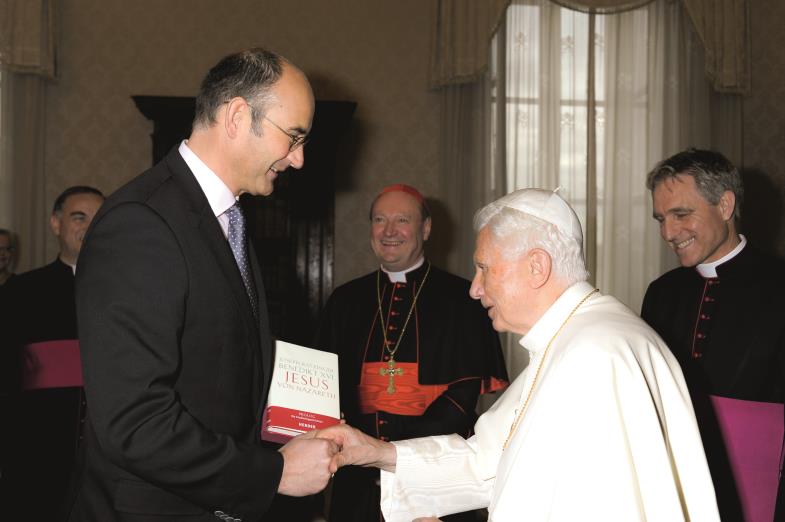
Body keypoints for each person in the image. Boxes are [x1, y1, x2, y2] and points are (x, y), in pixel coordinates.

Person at [317, 188, 720, 521]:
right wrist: (375, 452)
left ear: (536, 267)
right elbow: (488, 463)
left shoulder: (595, 355)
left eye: (485, 269)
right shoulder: (570, 340)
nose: (474, 289)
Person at [68, 48, 337, 521]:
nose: (298, 160)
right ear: (237, 116)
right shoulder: (142, 222)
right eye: (293, 137)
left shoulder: (225, 218)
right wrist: (272, 473)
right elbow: (134, 423)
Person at [315, 184, 508, 521]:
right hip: (356, 481)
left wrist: (393, 453)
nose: (389, 231)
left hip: (433, 481)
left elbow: (462, 399)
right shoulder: (345, 301)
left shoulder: (463, 300)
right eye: (379, 220)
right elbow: (323, 388)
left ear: (426, 228)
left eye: (402, 220)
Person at [641, 148, 785, 520]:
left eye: (681, 214)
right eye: (661, 218)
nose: (668, 232)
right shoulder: (661, 293)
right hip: (676, 484)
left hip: (765, 484)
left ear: (724, 205)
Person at [0, 186, 104, 521]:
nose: (89, 226)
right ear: (55, 224)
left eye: (98, 218)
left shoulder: (128, 291)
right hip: (35, 454)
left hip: (106, 460)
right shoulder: (20, 292)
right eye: (79, 217)